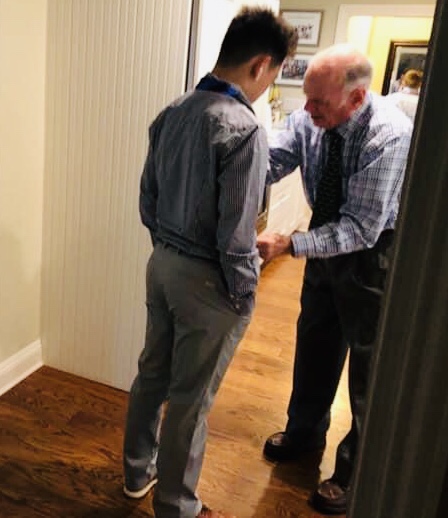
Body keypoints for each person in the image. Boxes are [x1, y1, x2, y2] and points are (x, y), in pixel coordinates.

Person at [122, 8, 297, 518]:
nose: (267, 86)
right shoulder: (244, 128)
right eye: (274, 75)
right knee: (191, 397)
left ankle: (137, 473)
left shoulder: (173, 110)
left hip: (162, 264)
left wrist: (169, 247)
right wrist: (244, 293)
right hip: (207, 280)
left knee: (152, 374)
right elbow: (236, 236)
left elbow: (147, 200)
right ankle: (176, 504)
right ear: (261, 65)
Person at [257, 44, 413, 515]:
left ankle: (353, 469)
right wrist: (233, 171)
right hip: (324, 242)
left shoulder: (389, 135)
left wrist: (291, 244)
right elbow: (273, 160)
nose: (307, 110)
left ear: (357, 97)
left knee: (368, 366)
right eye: (307, 98)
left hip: (372, 255)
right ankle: (304, 434)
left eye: (319, 102)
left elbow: (361, 227)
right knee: (315, 343)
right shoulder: (310, 118)